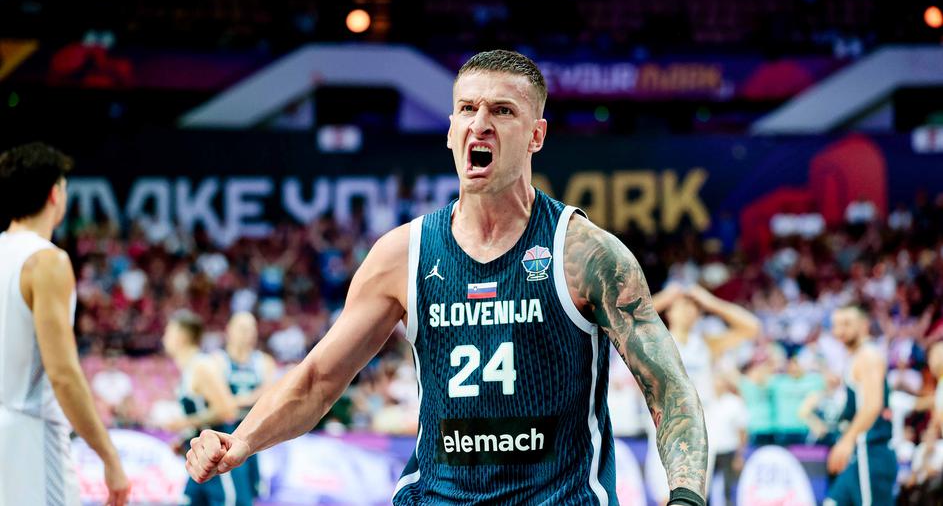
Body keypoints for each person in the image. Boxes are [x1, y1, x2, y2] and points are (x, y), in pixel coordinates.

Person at [187, 50, 709, 505]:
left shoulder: (585, 253)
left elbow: (671, 392)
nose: (480, 123)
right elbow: (317, 381)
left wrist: (686, 496)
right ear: (451, 130)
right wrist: (241, 441)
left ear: (536, 135)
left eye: (502, 110)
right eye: (466, 109)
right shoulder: (402, 254)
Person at [0, 142, 130, 506]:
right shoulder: (47, 262)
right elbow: (63, 375)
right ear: (54, 194)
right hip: (30, 433)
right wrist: (109, 456)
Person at [648, 282, 760, 502]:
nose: (688, 309)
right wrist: (665, 296)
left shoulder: (706, 344)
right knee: (666, 498)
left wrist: (711, 302)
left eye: (693, 305)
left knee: (693, 499)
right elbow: (625, 319)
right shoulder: (656, 341)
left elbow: (752, 327)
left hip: (701, 429)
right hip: (666, 426)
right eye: (682, 304)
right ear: (669, 311)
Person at [161, 310, 248, 505]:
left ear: (181, 336)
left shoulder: (201, 366)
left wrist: (184, 423)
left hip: (220, 460)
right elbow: (203, 415)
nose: (163, 337)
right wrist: (185, 439)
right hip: (203, 460)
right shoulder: (190, 367)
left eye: (168, 331)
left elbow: (227, 410)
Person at [824, 303, 897, 506]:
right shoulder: (855, 357)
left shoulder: (868, 355)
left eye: (847, 324)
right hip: (858, 455)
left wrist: (846, 441)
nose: (840, 331)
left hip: (870, 451)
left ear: (864, 325)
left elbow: (873, 405)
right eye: (836, 325)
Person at [213, 312, 276, 499]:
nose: (247, 333)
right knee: (233, 492)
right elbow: (220, 402)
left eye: (251, 329)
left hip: (255, 434)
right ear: (229, 330)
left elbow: (270, 396)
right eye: (242, 328)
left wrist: (233, 401)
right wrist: (252, 398)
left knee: (252, 491)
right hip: (225, 433)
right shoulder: (218, 360)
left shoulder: (264, 362)